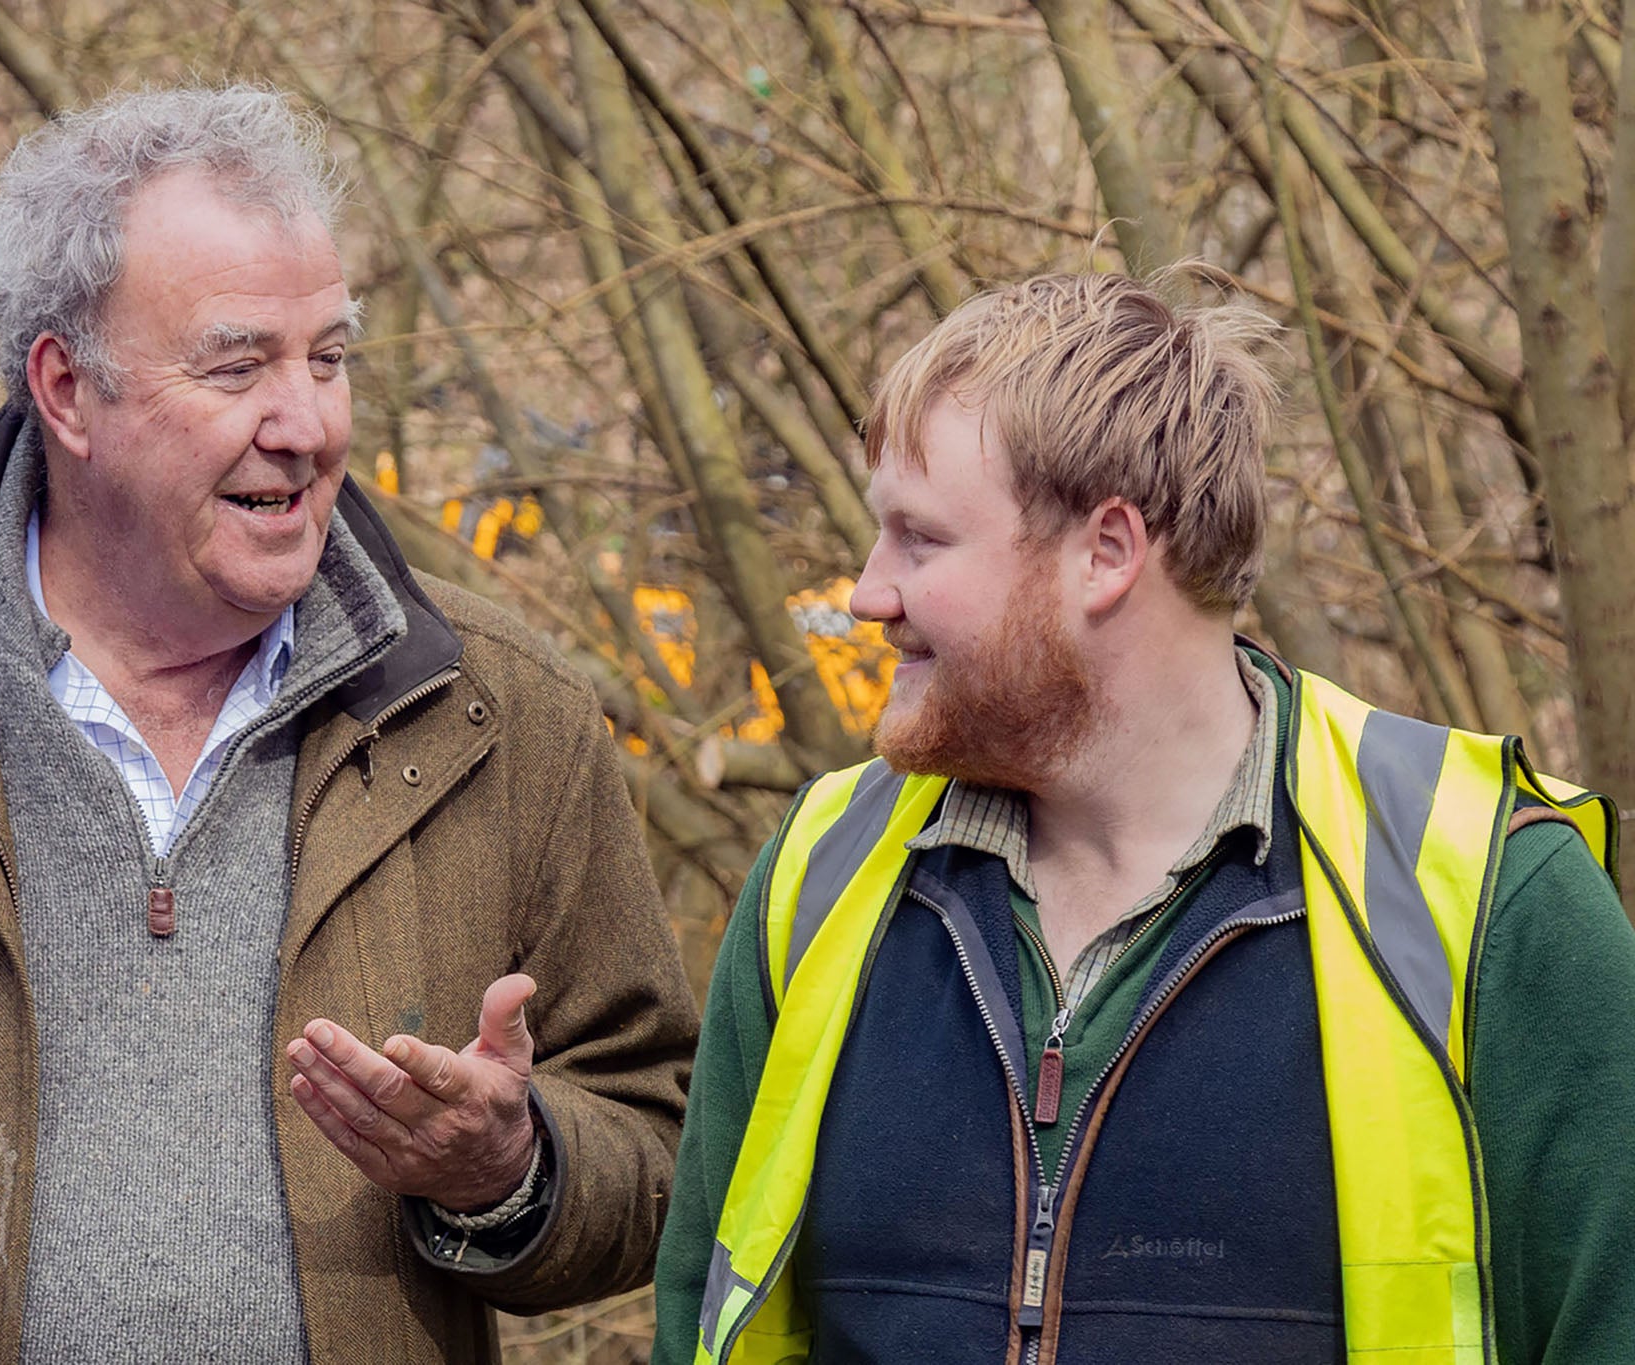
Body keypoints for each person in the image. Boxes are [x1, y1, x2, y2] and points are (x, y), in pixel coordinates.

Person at [0, 85, 697, 1364]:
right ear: (66, 388)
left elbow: (662, 1141)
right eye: (237, 366)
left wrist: (510, 1167)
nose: (308, 424)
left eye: (327, 358)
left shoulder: (499, 713)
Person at [651, 271, 1632, 1365]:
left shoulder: (1489, 897)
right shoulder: (822, 874)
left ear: (1106, 554)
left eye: (917, 541)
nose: (866, 594)